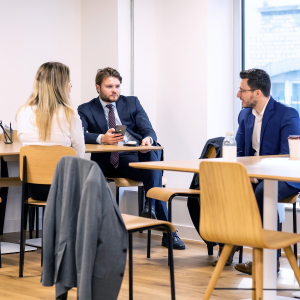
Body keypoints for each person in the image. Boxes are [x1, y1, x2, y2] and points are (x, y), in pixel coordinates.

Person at [78, 67, 185, 249]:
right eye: (109, 86)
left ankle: (151, 207)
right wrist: (101, 138)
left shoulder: (132, 103)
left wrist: (147, 140)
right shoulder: (86, 109)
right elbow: (78, 134)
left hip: (132, 157)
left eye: (117, 86)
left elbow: (149, 130)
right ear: (98, 87)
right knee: (154, 174)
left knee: (153, 150)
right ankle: (166, 227)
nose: (114, 90)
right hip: (108, 160)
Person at [233, 68, 300, 274]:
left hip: (285, 177)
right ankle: (230, 240)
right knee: (225, 186)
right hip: (255, 176)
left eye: (242, 90)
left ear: (257, 93)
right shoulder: (245, 115)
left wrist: (256, 175)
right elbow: (239, 151)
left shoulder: (287, 114)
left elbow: (287, 157)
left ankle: (269, 260)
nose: (238, 95)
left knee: (263, 191)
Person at [16, 62, 85, 200]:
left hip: (32, 189)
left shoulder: (23, 111)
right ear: (60, 85)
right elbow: (79, 152)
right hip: (64, 189)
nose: (71, 85)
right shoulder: (69, 114)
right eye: (69, 80)